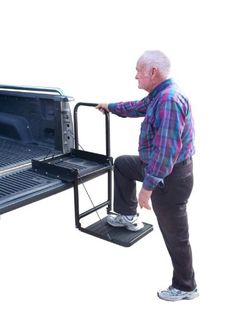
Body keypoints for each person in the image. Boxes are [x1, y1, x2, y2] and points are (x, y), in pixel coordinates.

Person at [96, 50, 198, 301]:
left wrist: (147, 188)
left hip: (171, 177)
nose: (135, 76)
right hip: (157, 167)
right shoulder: (158, 96)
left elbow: (166, 153)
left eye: (138, 70)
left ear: (153, 72)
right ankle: (128, 215)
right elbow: (135, 107)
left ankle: (186, 286)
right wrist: (110, 107)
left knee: (176, 234)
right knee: (122, 164)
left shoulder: (169, 101)